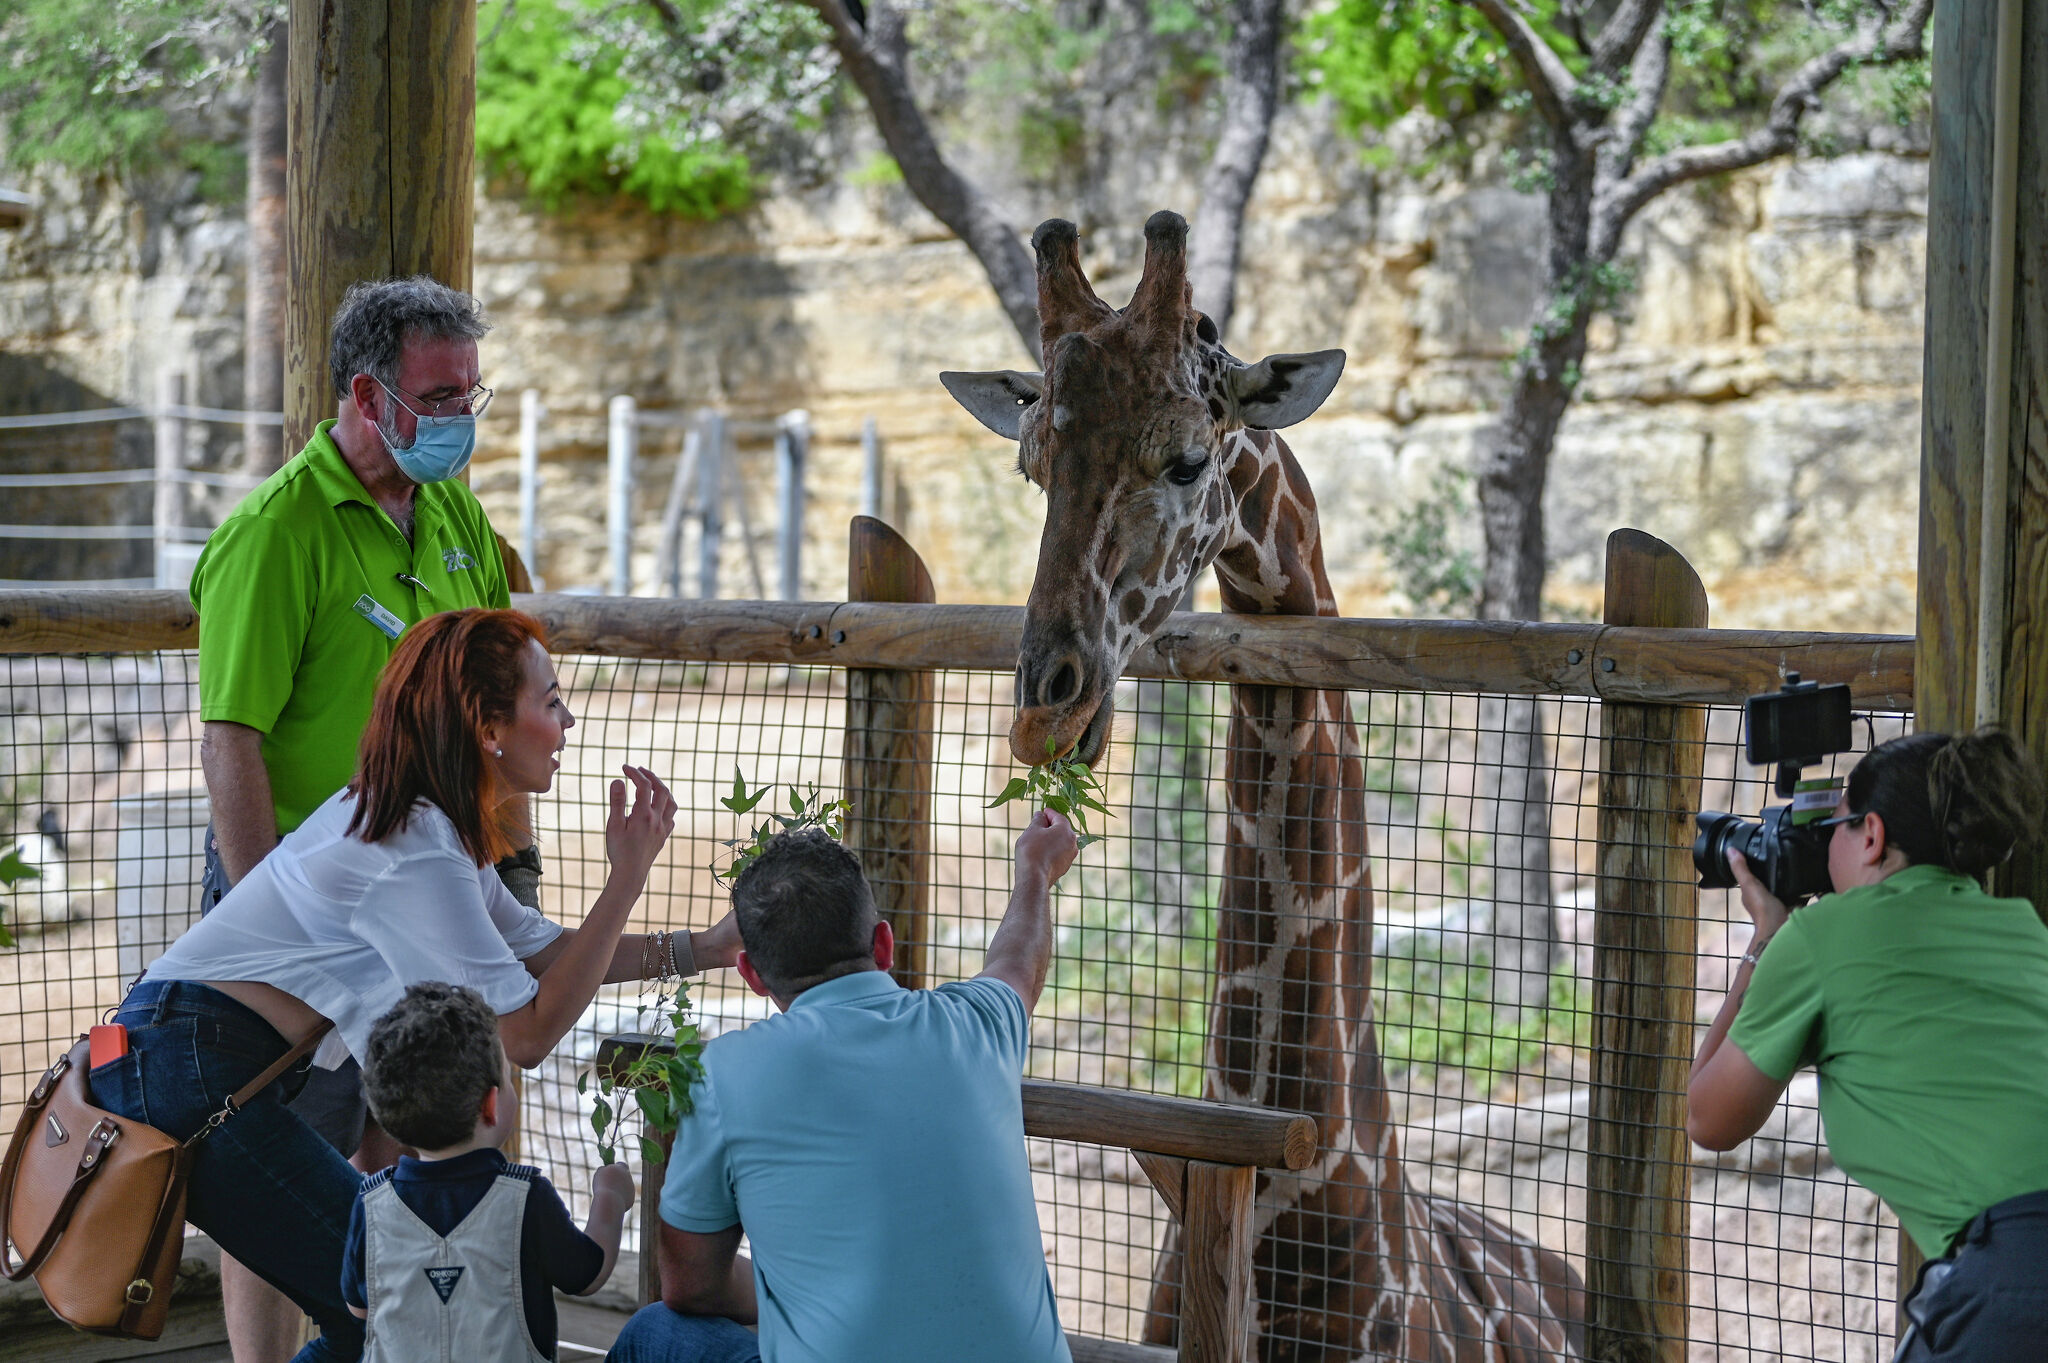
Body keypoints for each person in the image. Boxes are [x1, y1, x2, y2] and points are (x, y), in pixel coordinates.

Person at [94, 608, 738, 1363]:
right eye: (551, 699)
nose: (568, 719)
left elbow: (545, 951)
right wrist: (625, 878)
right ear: (488, 725)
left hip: (193, 1059)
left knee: (378, 1307)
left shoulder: (430, 828)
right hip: (186, 1067)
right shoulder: (411, 846)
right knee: (387, 1302)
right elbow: (525, 1034)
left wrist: (710, 946)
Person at [190, 276, 525, 1359]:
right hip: (310, 894)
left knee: (422, 1132)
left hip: (436, 877)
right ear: (366, 393)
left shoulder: (454, 512)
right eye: (439, 397)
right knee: (282, 1149)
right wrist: (264, 920)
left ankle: (397, 1342)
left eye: (472, 395)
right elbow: (231, 737)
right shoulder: (276, 531)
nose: (459, 419)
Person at [605, 812, 1080, 1363]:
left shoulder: (725, 1073)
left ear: (752, 976)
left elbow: (689, 1286)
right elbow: (1017, 962)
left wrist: (802, 1297)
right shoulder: (976, 1022)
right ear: (884, 944)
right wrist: (1036, 871)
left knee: (654, 1332)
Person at [1688, 727, 2048, 1360]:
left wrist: (1766, 940)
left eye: (1840, 826)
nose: (1828, 843)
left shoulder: (1823, 937)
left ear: (1874, 835)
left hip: (2019, 1275)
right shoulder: (2021, 928)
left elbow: (1708, 1117)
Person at [346, 982, 632, 1362]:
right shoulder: (525, 1197)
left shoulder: (370, 1204)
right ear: (491, 1106)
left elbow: (361, 1308)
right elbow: (586, 1275)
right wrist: (610, 1199)